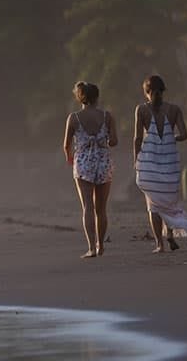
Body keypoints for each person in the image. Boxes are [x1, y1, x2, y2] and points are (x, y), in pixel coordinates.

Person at [134, 75, 187, 253]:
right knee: (168, 203)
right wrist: (171, 137)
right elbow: (184, 135)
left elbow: (137, 138)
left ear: (147, 92)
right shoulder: (174, 110)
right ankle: (169, 234)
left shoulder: (141, 110)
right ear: (163, 91)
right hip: (170, 162)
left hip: (150, 162)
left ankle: (159, 244)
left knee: (153, 205)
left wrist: (136, 160)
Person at [63, 82, 118, 258]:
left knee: (87, 206)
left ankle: (91, 248)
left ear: (80, 97)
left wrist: (70, 159)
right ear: (97, 96)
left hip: (83, 163)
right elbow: (114, 141)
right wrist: (104, 141)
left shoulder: (74, 118)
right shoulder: (107, 116)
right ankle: (101, 245)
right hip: (103, 162)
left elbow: (66, 145)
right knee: (101, 209)